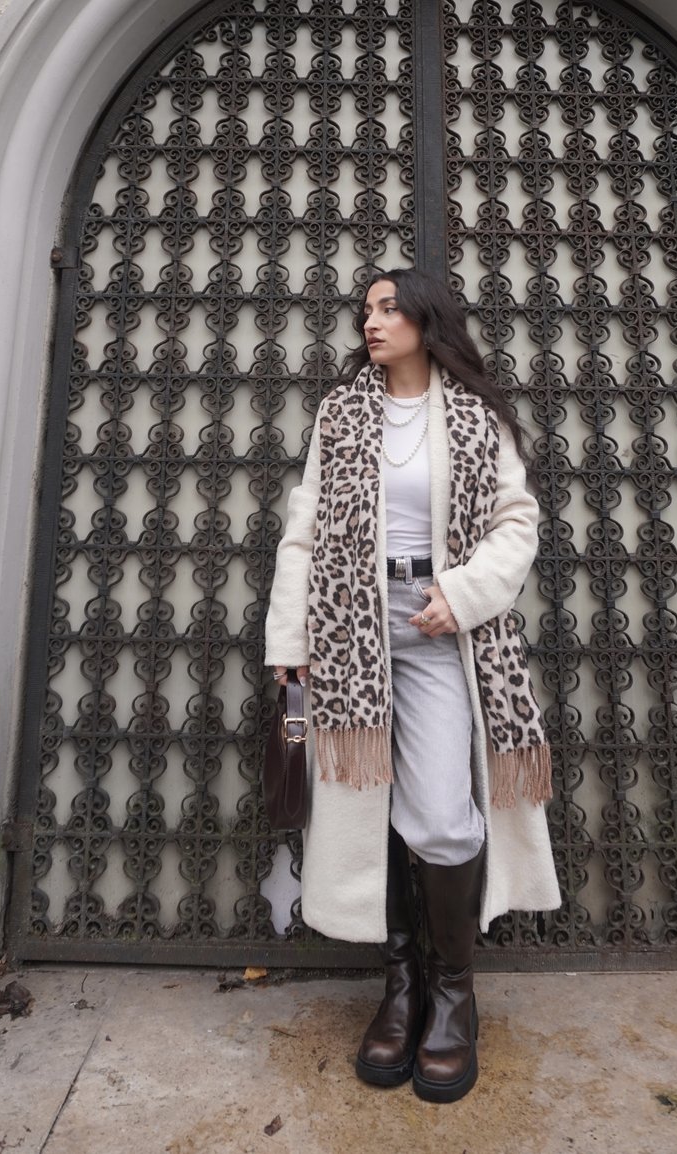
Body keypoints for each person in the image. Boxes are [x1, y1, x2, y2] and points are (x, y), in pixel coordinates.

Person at [265, 267, 560, 1103]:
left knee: (437, 815)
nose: (373, 321)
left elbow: (517, 521)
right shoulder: (344, 410)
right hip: (350, 630)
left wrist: (461, 596)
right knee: (372, 815)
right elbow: (306, 526)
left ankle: (454, 994)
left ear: (428, 320)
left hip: (439, 632)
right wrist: (290, 639)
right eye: (366, 310)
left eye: (389, 308)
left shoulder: (474, 414)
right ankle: (400, 991)